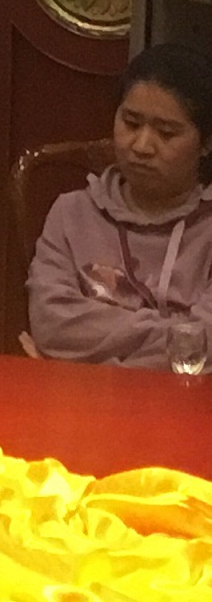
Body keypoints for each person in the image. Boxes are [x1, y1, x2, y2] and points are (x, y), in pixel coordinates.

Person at [27, 43, 212, 367]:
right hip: (79, 398)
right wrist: (180, 334)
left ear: (206, 144)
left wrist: (97, 362)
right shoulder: (71, 214)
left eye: (166, 133)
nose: (142, 146)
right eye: (131, 123)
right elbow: (52, 326)